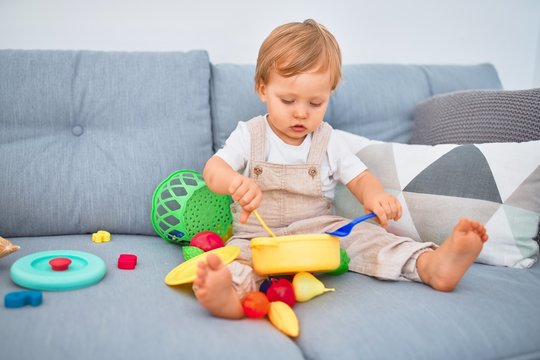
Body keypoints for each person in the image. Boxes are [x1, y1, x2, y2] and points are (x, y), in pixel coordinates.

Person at [193, 19, 489, 319]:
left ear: (329, 95)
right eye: (288, 100)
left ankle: (431, 265)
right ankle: (227, 295)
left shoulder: (327, 140)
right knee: (237, 261)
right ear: (262, 89)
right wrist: (233, 182)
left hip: (320, 232)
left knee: (368, 237)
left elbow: (360, 178)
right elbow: (213, 170)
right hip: (257, 236)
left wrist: (375, 196)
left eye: (315, 103)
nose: (301, 112)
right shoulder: (249, 134)